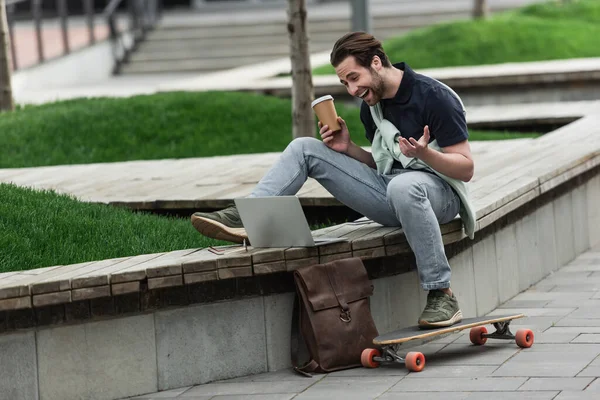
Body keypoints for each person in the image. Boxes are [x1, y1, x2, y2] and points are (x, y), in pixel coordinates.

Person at [191, 32, 476, 328]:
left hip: (440, 195)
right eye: (345, 83)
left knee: (406, 186)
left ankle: (441, 293)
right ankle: (248, 213)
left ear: (376, 63)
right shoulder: (372, 106)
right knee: (305, 148)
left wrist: (426, 155)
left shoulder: (434, 96)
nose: (352, 90)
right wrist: (348, 149)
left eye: (354, 77)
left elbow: (466, 168)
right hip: (393, 192)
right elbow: (385, 167)